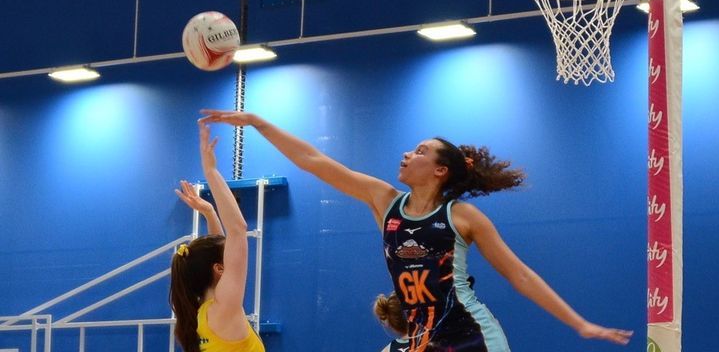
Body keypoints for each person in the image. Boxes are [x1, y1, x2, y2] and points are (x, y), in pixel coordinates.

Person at [200, 109, 633, 351]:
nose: (408, 154)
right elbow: (315, 162)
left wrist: (580, 324)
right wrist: (261, 124)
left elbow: (520, 276)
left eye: (420, 151)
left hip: (472, 338)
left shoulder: (463, 218)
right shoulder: (384, 200)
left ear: (440, 170)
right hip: (422, 339)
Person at [169, 120, 266, 352]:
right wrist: (211, 172)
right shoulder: (224, 308)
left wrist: (210, 212)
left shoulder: (202, 312)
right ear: (219, 269)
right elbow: (237, 229)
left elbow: (220, 244)